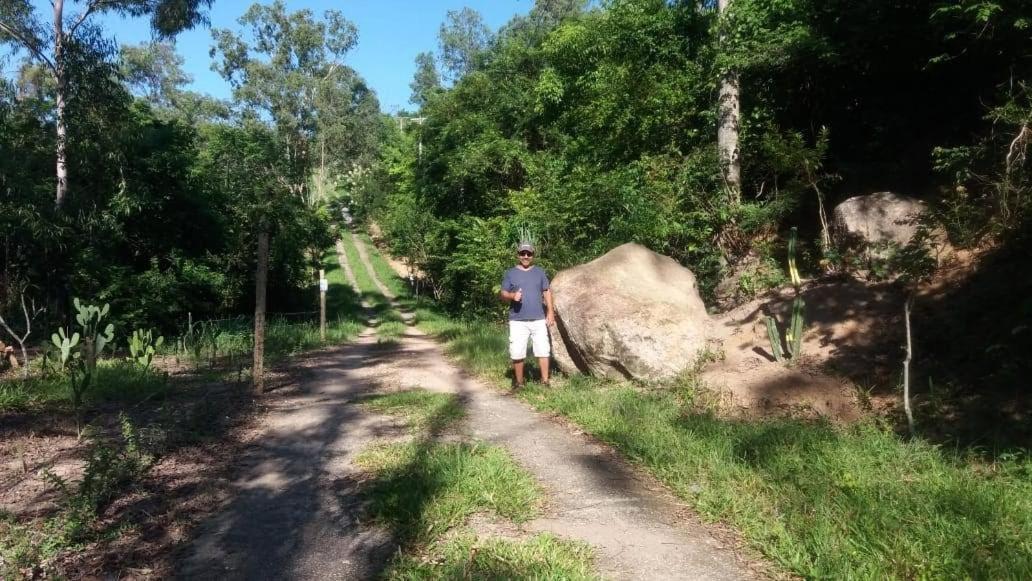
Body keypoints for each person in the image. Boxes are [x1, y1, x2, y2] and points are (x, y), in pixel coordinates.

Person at [499, 242, 555, 388]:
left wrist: (550, 312)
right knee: (517, 351)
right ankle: (519, 383)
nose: (525, 256)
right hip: (518, 320)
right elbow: (503, 293)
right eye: (523, 253)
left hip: (538, 319)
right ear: (518, 255)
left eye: (529, 254)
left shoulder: (539, 272)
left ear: (533, 256)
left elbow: (547, 292)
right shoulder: (510, 273)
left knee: (543, 350)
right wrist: (512, 296)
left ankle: (545, 382)